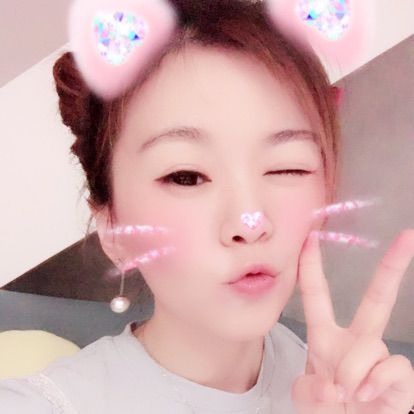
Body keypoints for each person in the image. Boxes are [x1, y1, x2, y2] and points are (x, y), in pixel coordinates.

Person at [2, 0, 413, 413]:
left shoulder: (352, 390)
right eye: (187, 176)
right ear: (112, 228)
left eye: (287, 167)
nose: (250, 222)